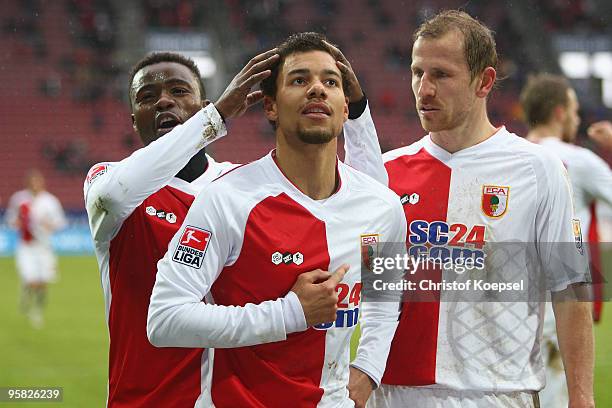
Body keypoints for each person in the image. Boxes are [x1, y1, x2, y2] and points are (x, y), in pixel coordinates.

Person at [84, 45, 387, 406]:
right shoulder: (107, 181)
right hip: (145, 399)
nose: (164, 102)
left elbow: (369, 204)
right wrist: (217, 117)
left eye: (179, 91)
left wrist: (358, 113)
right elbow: (113, 197)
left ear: (200, 103)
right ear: (133, 119)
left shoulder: (234, 188)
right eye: (147, 97)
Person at [367, 10, 594, 408]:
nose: (424, 89)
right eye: (417, 72)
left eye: (441, 74)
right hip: (394, 394)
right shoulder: (386, 172)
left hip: (497, 394)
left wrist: (581, 397)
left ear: (484, 81)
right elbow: (371, 289)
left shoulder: (537, 170)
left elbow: (570, 289)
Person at [520, 73, 612, 407]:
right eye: (573, 110)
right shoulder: (580, 161)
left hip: (512, 291)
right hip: (563, 294)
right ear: (559, 113)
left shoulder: (511, 156)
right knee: (555, 393)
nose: (576, 118)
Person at [6, 169, 66, 328]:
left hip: (44, 247)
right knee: (32, 280)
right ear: (27, 183)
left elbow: (60, 222)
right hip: (26, 246)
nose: (35, 185)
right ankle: (29, 303)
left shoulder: (50, 201)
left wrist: (49, 225)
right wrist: (17, 223)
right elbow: (11, 220)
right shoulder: (19, 199)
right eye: (32, 182)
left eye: (37, 181)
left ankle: (37, 310)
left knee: (43, 282)